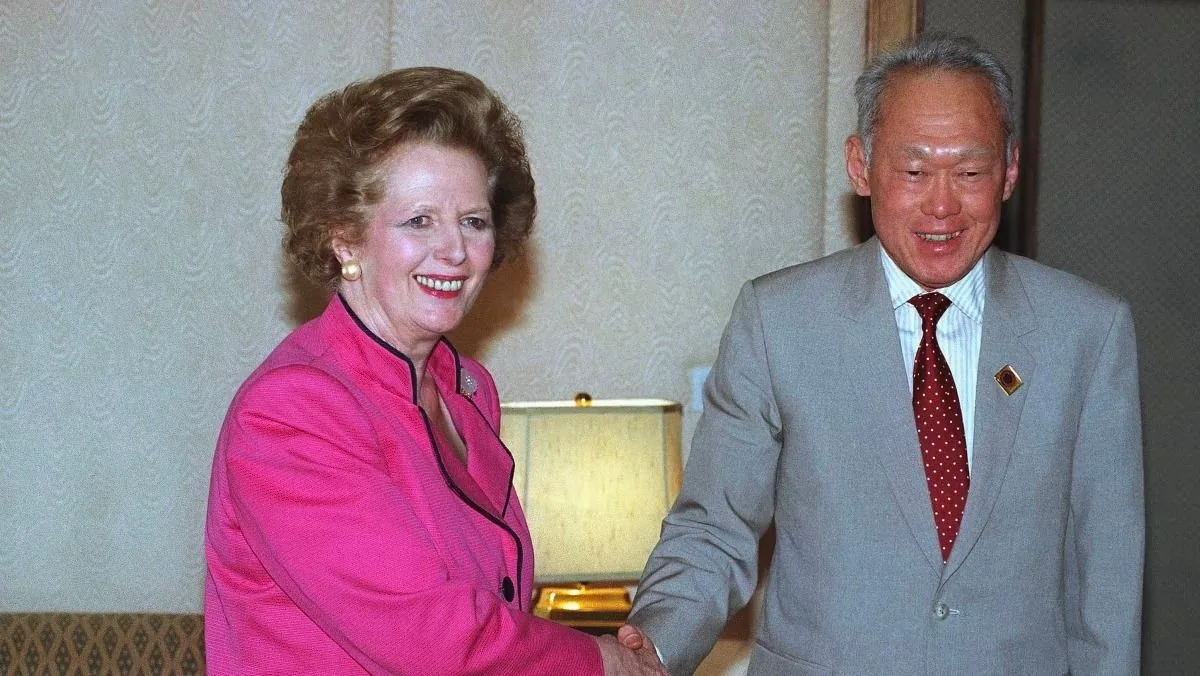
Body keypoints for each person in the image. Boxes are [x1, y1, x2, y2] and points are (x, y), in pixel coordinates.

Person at [620, 34, 1144, 674]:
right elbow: (713, 530)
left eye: (970, 172)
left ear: (1009, 170)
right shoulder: (779, 322)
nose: (943, 205)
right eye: (915, 172)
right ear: (860, 166)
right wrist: (653, 648)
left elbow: (1106, 573)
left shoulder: (1086, 331)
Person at [204, 67, 665, 675]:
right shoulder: (293, 411)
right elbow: (429, 636)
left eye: (473, 221)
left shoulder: (466, 389)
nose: (454, 250)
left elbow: (494, 606)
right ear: (345, 238)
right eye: (419, 220)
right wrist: (600, 663)